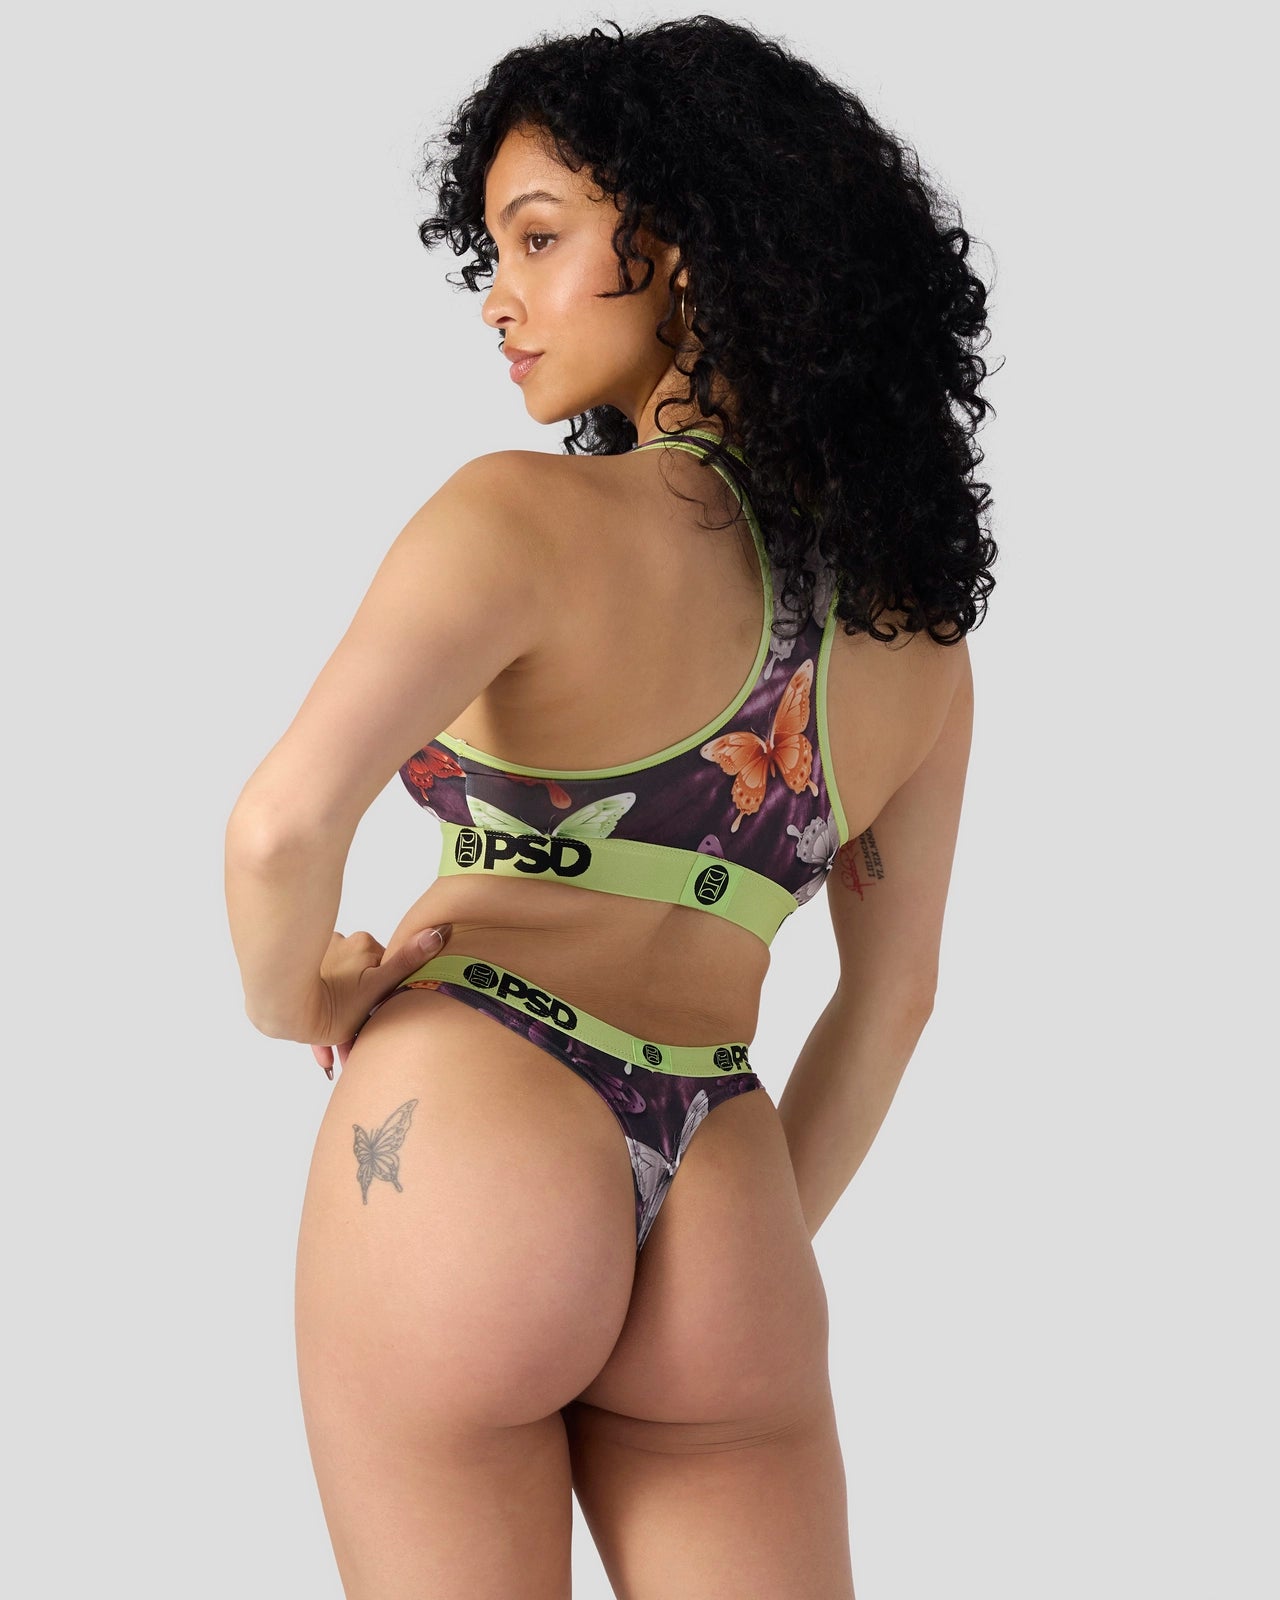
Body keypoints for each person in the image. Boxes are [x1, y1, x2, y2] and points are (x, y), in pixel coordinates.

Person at [224, 15, 995, 1598]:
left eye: (539, 239)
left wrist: (301, 996)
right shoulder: (919, 641)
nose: (497, 299)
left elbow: (278, 831)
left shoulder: (519, 518)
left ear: (687, 252)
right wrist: (734, 1257)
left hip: (470, 1131)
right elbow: (893, 1003)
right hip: (726, 1182)